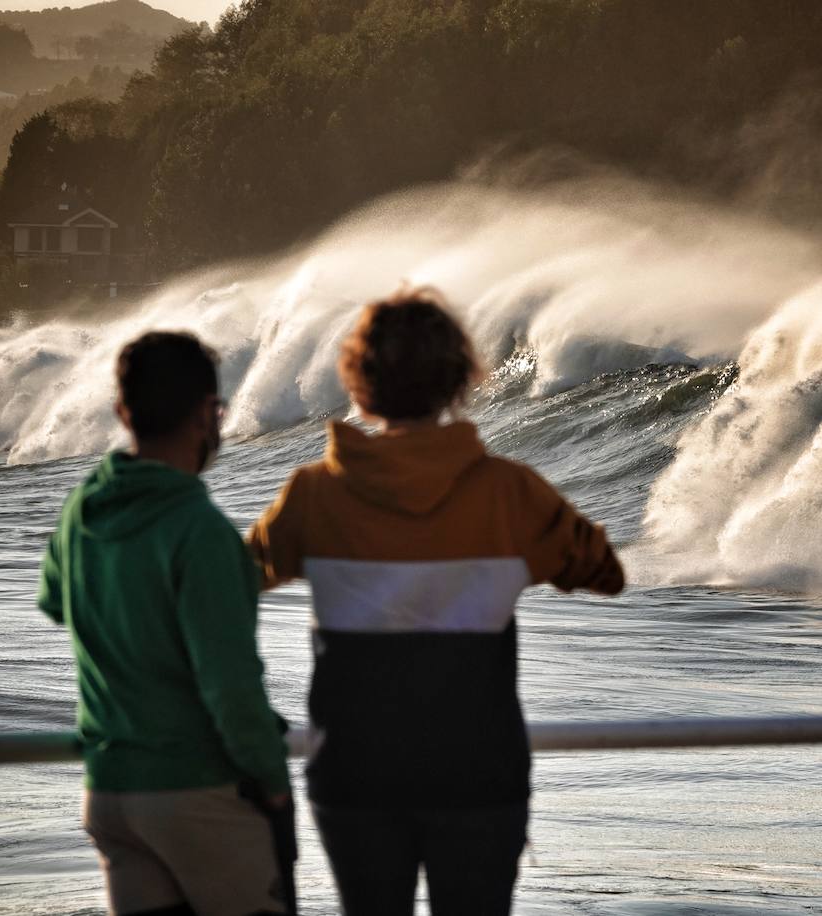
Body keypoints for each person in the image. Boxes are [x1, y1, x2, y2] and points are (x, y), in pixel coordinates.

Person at [248, 289, 624, 916]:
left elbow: (233, 581)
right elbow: (604, 574)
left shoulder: (313, 495)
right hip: (477, 773)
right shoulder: (510, 492)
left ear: (359, 380)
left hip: (355, 770)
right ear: (456, 380)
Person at [38, 331, 295, 916]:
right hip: (194, 791)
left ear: (122, 413)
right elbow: (230, 686)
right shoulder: (200, 532)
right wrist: (272, 781)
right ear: (208, 413)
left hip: (111, 794)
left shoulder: (82, 509)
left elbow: (58, 603)